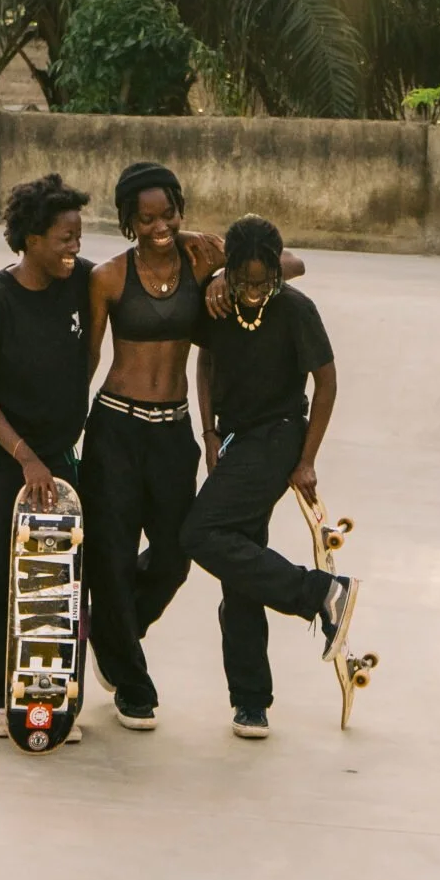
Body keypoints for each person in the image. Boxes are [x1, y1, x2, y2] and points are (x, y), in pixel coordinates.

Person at [82, 162, 302, 731]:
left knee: (178, 552)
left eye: (168, 213)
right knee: (110, 552)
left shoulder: (203, 257)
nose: (159, 226)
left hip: (171, 429)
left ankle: (112, 630)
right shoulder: (107, 277)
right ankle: (131, 680)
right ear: (129, 220)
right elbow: (85, 364)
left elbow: (290, 264)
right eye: (146, 217)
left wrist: (229, 276)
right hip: (115, 426)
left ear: (180, 210)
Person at [182, 214, 358, 739]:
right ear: (229, 273)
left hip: (279, 436)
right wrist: (209, 432)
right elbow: (206, 366)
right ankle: (251, 701)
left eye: (265, 282)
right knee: (240, 570)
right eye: (245, 281)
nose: (255, 292)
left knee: (200, 534)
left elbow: (325, 384)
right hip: (234, 440)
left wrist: (306, 459)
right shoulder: (218, 303)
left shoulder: (296, 309)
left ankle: (320, 593)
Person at [0, 174, 94, 741]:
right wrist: (25, 457)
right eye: (64, 237)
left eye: (78, 236)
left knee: (57, 576)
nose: (75, 248)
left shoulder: (81, 282)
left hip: (53, 453)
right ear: (32, 239)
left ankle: (52, 697)